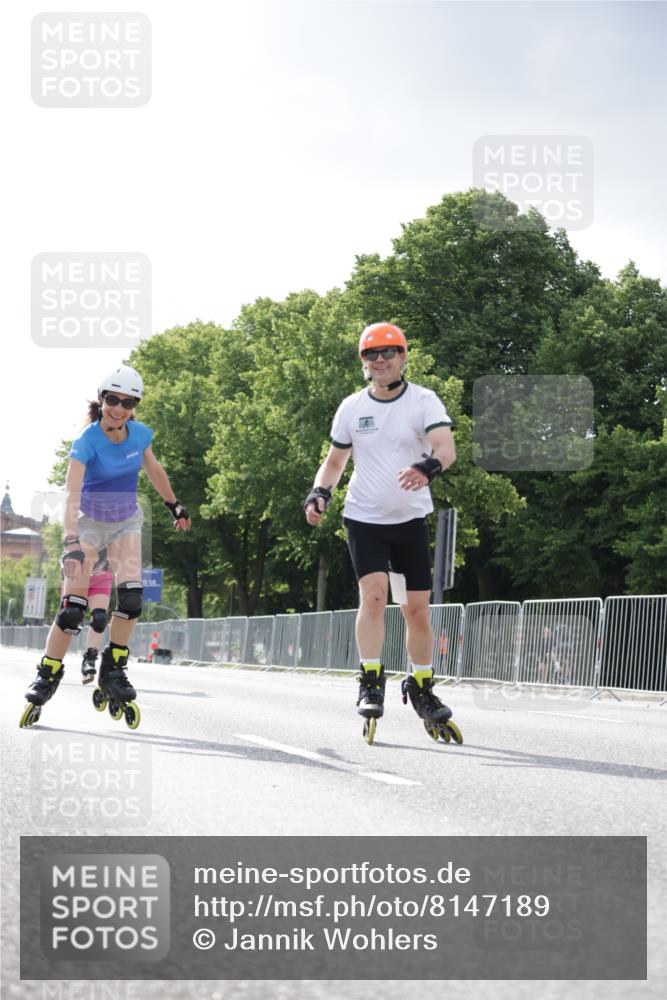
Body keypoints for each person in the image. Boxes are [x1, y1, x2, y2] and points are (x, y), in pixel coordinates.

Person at [304, 322, 457, 737]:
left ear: (403, 357)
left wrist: (428, 467)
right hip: (364, 519)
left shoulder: (423, 400)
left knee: (416, 610)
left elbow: (446, 448)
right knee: (373, 597)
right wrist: (319, 492)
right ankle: (371, 681)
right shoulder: (352, 407)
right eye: (372, 354)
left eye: (389, 352)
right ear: (363, 363)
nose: (381, 360)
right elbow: (335, 462)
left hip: (409, 520)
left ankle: (421, 686)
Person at [21, 365, 191, 727]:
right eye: (112, 399)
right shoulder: (86, 440)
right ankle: (48, 673)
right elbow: (72, 492)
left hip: (127, 521)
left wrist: (174, 504)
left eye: (127, 402)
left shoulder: (140, 435)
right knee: (73, 608)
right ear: (102, 400)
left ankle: (113, 669)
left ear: (134, 406)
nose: (118, 407)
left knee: (131, 599)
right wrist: (71, 541)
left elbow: (155, 470)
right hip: (90, 524)